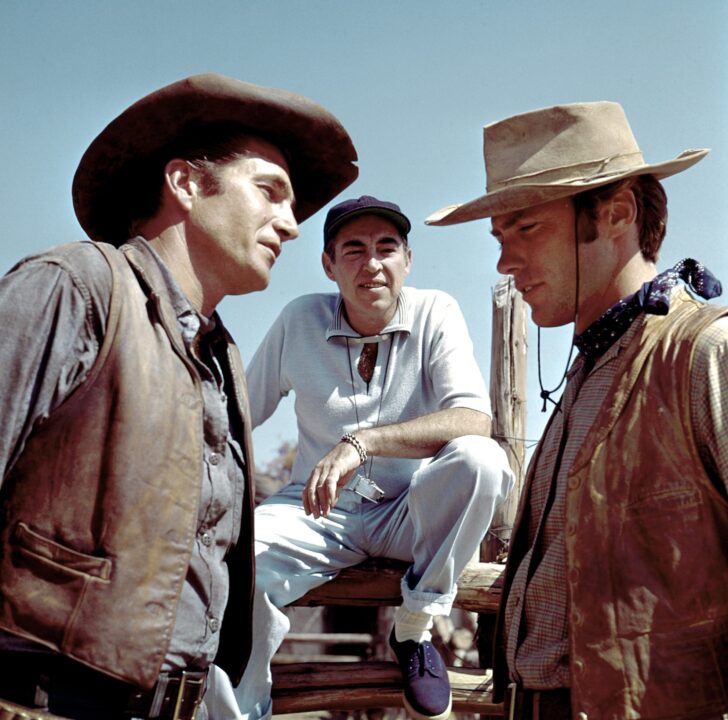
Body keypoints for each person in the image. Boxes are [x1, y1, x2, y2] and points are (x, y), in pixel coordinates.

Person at [0, 73, 358, 720]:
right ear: (186, 185)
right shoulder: (75, 288)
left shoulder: (220, 358)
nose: (292, 225)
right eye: (270, 192)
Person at [426, 101, 728, 719]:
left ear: (616, 213)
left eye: (526, 229)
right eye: (498, 238)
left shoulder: (704, 352)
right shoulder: (590, 368)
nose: (505, 262)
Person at [210, 195, 514, 720]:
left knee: (482, 460)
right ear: (329, 265)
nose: (372, 263)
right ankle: (235, 712)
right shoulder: (299, 318)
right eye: (353, 250)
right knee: (234, 572)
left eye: (386, 248)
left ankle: (415, 628)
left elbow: (472, 419)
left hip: (409, 515)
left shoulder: (435, 310)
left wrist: (362, 442)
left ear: (407, 260)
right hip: (317, 510)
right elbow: (237, 415)